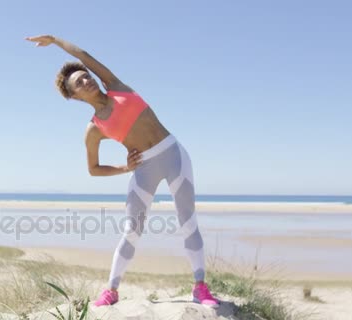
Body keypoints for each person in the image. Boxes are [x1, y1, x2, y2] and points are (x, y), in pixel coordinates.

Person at [25, 35, 219, 308]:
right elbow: (93, 169)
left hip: (174, 154)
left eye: (86, 76)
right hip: (144, 167)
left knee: (188, 222)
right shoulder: (94, 129)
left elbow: (84, 55)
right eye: (78, 83)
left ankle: (200, 286)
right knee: (131, 230)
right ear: (74, 96)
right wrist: (124, 168)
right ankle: (111, 290)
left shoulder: (116, 86)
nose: (86, 80)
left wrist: (56, 41)